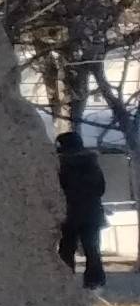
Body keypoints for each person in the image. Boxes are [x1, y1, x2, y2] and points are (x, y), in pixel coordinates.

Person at [57, 123, 111, 291]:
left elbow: (58, 188)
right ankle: (94, 283)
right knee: (92, 249)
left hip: (69, 213)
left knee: (66, 249)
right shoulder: (92, 163)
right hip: (92, 214)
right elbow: (101, 188)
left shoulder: (61, 164)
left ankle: (65, 282)